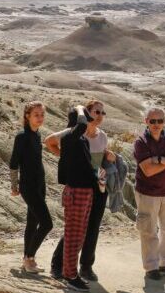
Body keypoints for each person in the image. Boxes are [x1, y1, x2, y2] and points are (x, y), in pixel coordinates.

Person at [46, 100, 115, 282]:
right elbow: (49, 141)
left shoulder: (102, 136)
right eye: (96, 112)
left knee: (92, 227)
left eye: (102, 113)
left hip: (98, 184)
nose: (100, 116)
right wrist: (66, 158)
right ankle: (58, 264)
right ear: (87, 113)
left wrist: (109, 155)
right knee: (76, 228)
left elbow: (99, 157)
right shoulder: (75, 132)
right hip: (80, 184)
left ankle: (86, 266)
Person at [132, 107, 165, 280]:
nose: (157, 125)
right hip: (147, 192)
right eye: (153, 121)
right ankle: (151, 267)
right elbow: (148, 170)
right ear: (146, 121)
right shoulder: (141, 142)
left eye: (160, 121)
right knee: (148, 230)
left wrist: (161, 159)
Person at [9, 101, 52, 274]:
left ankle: (27, 260)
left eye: (42, 114)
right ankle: (29, 257)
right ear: (27, 116)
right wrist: (14, 185)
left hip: (40, 184)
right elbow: (13, 163)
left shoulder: (37, 135)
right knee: (47, 223)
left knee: (32, 223)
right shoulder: (22, 136)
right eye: (36, 114)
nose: (40, 118)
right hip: (28, 186)